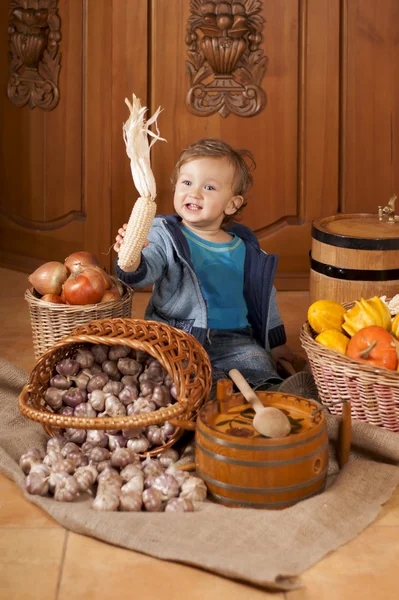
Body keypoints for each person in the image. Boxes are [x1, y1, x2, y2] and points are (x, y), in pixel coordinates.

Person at [114, 137, 297, 391]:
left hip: (235, 340)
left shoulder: (248, 250)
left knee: (260, 367)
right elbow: (147, 269)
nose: (194, 192)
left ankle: (243, 395)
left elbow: (266, 299)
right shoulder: (164, 234)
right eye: (187, 182)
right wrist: (132, 256)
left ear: (232, 204)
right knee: (171, 380)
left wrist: (276, 344)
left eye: (209, 188)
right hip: (178, 338)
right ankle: (206, 392)